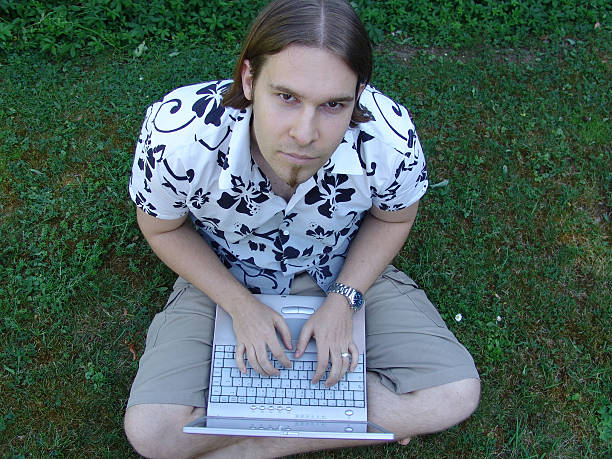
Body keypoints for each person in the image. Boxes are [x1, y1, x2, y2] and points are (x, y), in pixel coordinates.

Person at [123, 0, 480, 457]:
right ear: (250, 80)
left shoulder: (389, 137)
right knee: (152, 432)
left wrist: (343, 301)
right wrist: (239, 306)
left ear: (358, 93)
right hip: (226, 268)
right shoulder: (178, 134)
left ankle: (250, 444)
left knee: (455, 393)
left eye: (333, 104)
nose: (305, 133)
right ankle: (351, 415)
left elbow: (396, 218)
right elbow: (163, 229)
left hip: (339, 261)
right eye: (287, 97)